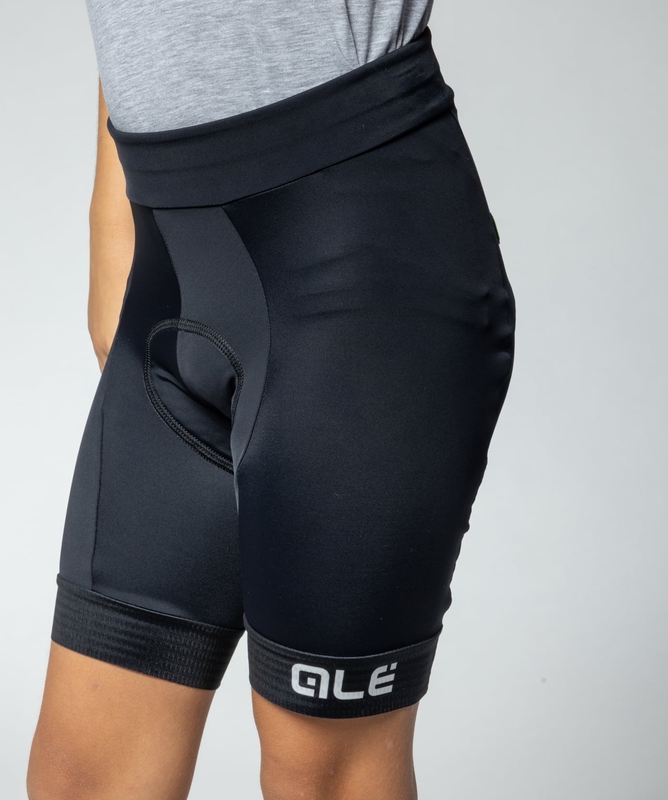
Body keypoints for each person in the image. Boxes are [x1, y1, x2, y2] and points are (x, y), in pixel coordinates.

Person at [26, 3, 516, 799]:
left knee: (319, 776)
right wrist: (112, 212)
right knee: (82, 778)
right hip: (167, 255)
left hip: (356, 253)